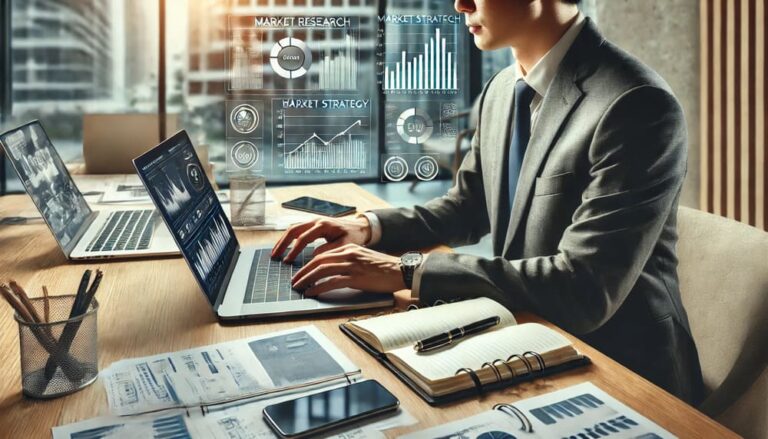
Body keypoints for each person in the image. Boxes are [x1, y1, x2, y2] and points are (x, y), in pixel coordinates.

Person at [272, 0, 705, 405]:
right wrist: (369, 228)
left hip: (626, 372)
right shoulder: (503, 89)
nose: (460, 4)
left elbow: (585, 288)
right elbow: (467, 206)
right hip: (532, 334)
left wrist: (405, 270)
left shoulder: (636, 105)